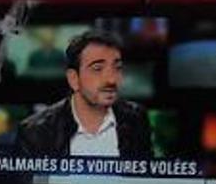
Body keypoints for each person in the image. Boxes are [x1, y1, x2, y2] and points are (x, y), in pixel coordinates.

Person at [15, 30, 155, 158]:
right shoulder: (35, 132)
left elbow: (146, 175)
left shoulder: (135, 119)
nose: (112, 80)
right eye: (98, 69)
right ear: (74, 79)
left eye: (117, 68)